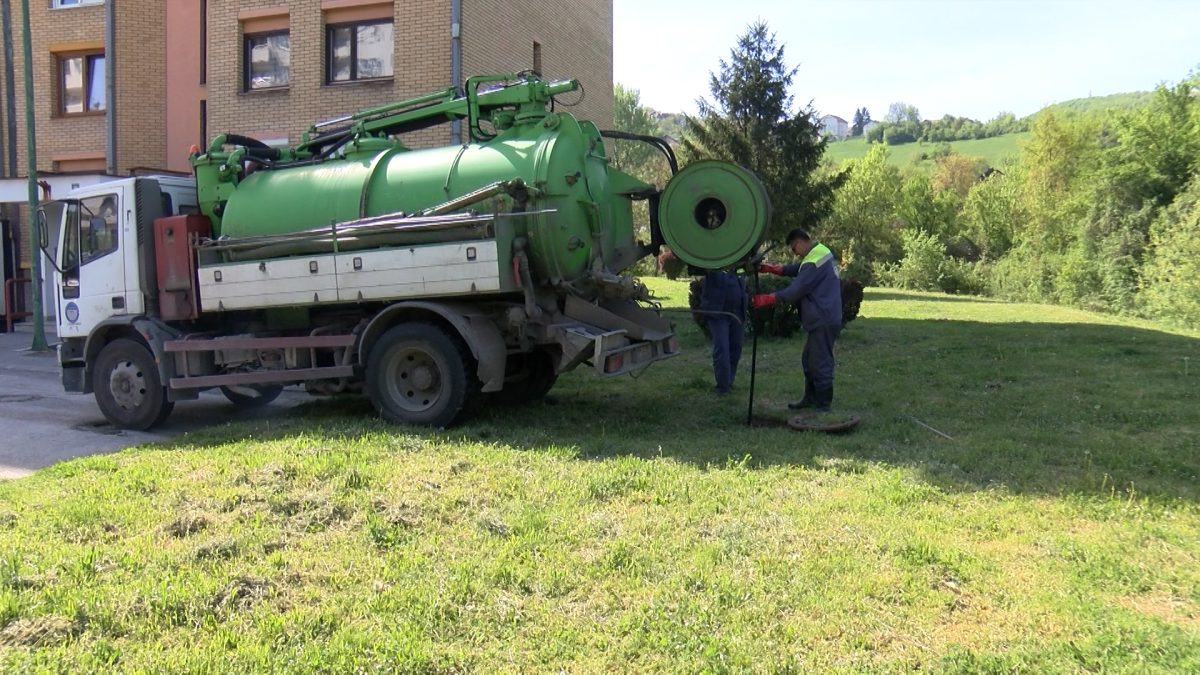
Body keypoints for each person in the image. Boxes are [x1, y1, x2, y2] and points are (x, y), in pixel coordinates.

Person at [752, 228, 842, 411]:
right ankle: (810, 398)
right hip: (826, 315)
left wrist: (767, 299)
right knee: (808, 359)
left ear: (800, 242)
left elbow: (795, 290)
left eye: (794, 249)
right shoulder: (819, 253)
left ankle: (823, 405)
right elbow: (799, 269)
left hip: (822, 317)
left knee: (819, 361)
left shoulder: (813, 261)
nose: (795, 253)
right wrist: (773, 269)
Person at [699, 269, 747, 396]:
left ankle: (729, 382)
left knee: (736, 348)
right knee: (722, 349)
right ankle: (722, 387)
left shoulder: (737, 265)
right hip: (719, 314)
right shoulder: (714, 263)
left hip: (737, 312)